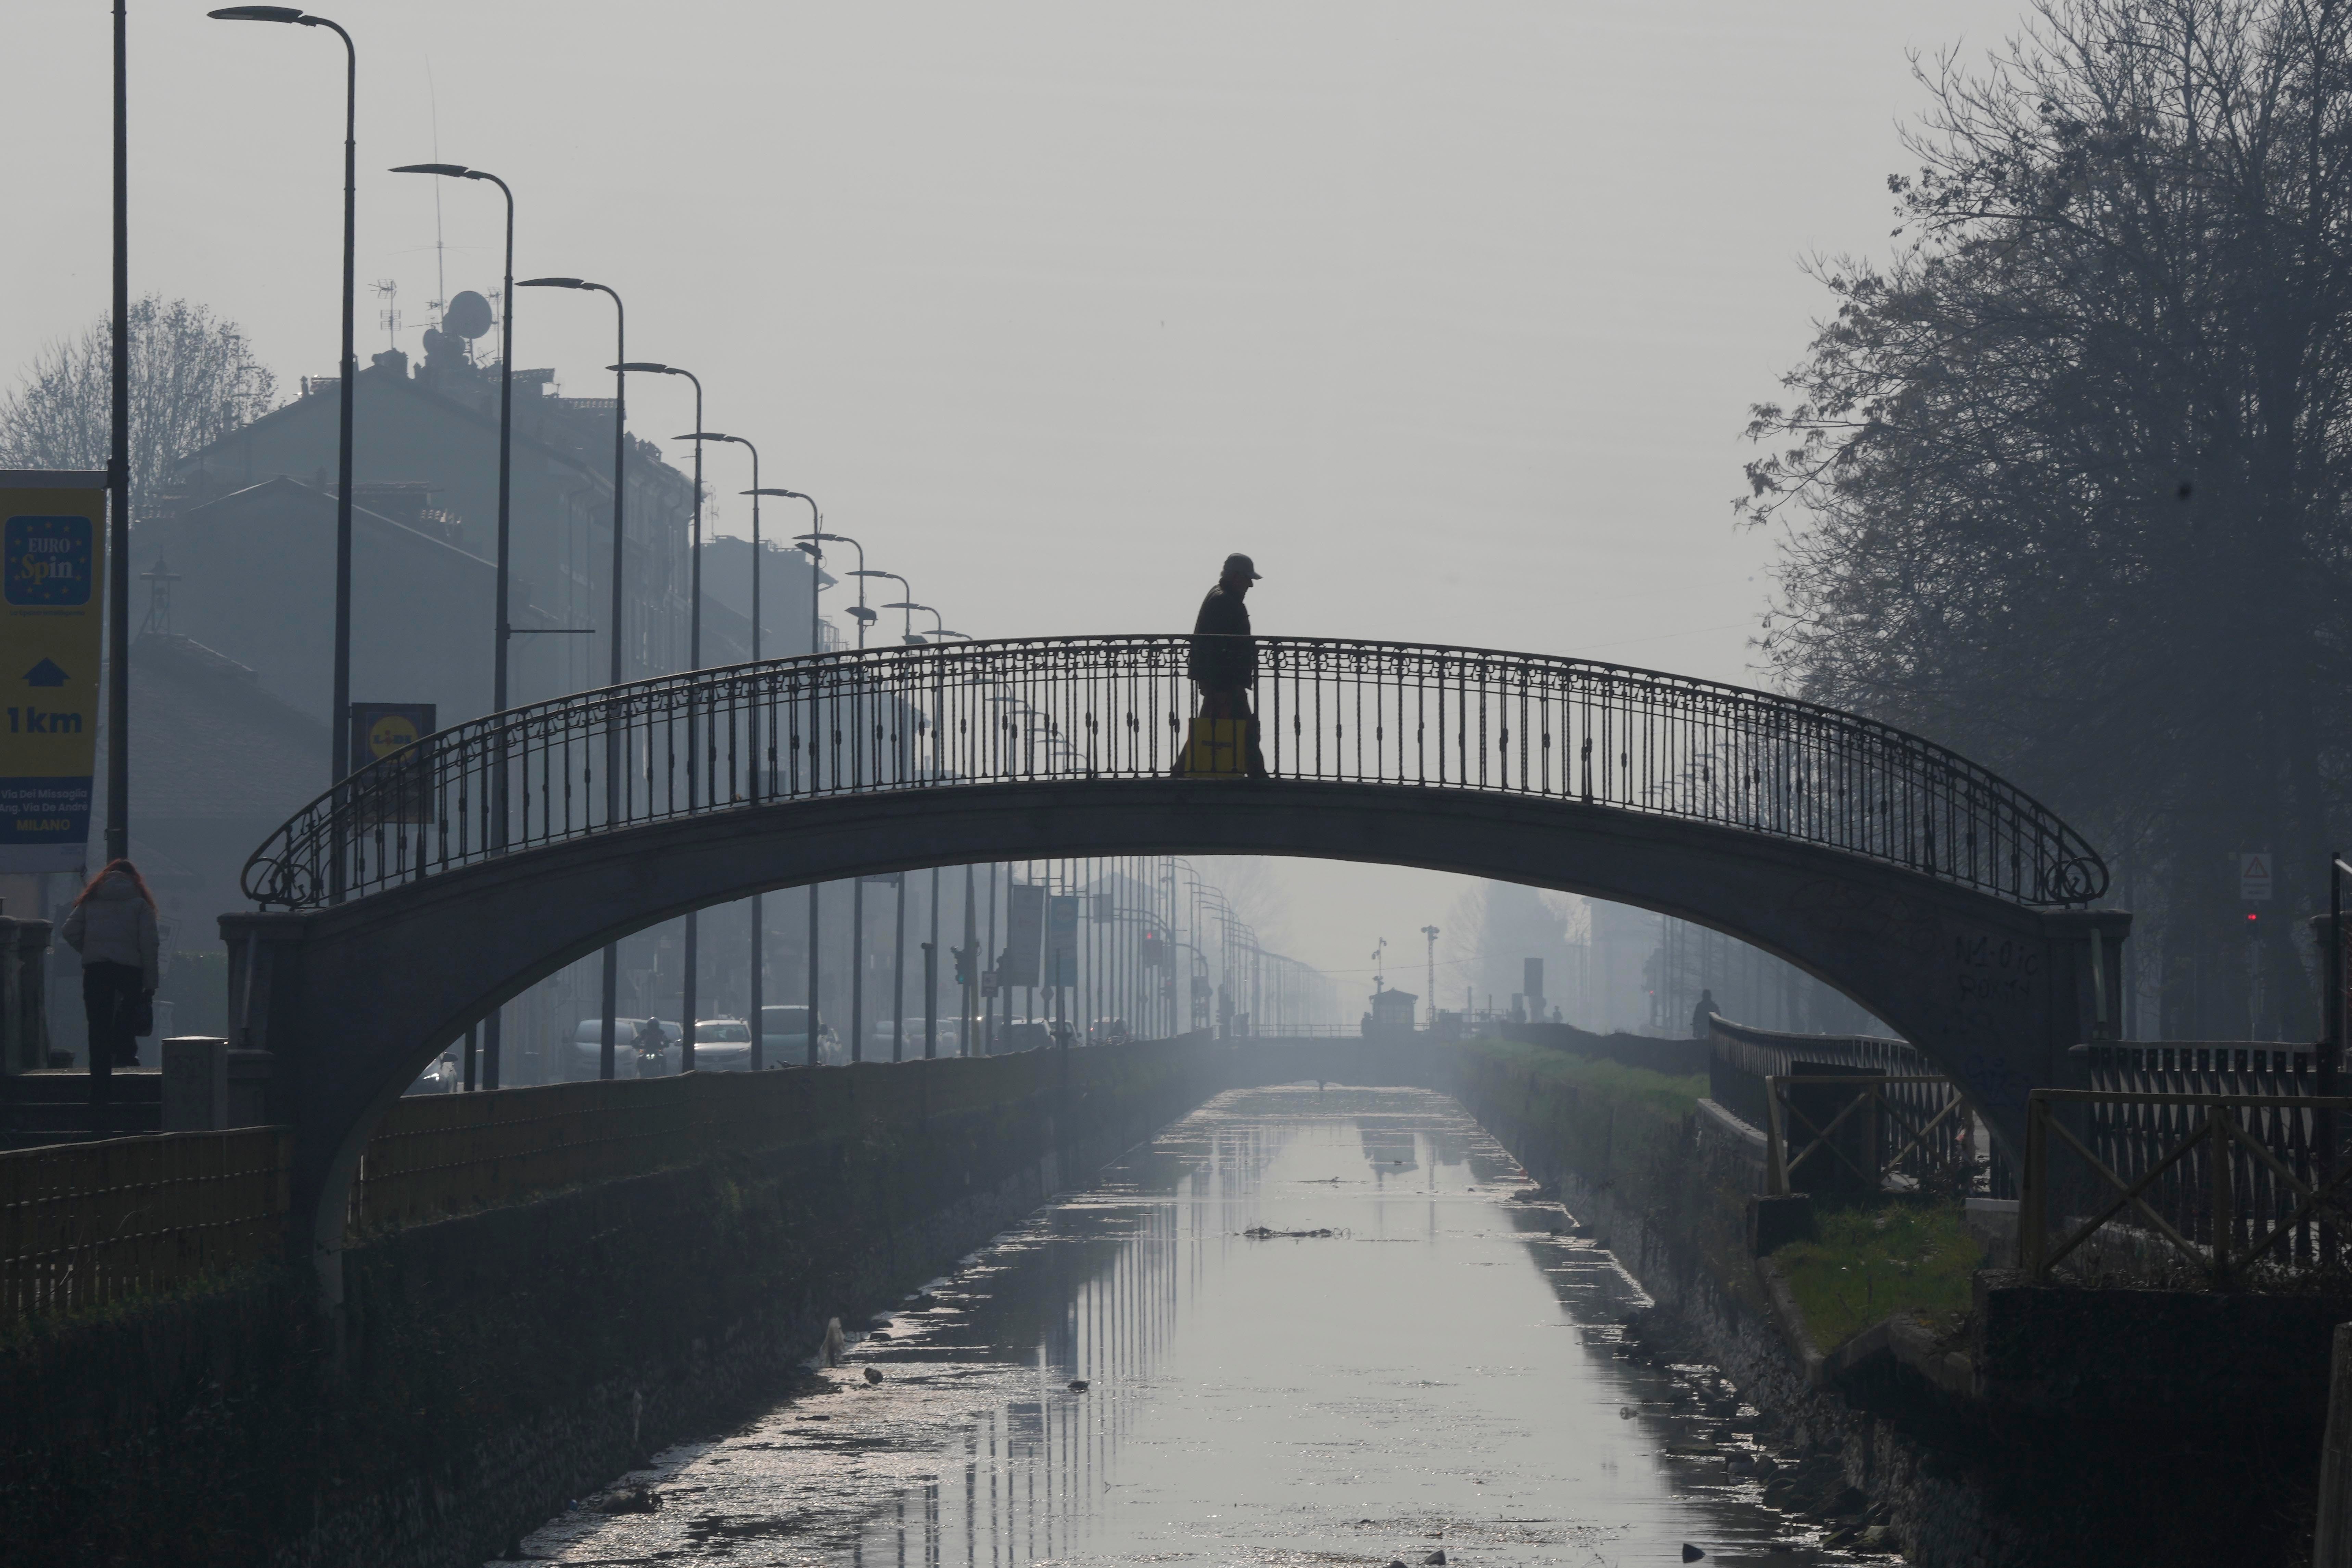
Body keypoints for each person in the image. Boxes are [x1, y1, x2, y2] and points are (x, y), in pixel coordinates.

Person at [61, 859, 160, 1108]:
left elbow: (69, 930)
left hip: (97, 971)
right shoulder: (140, 906)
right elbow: (150, 946)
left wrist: (89, 950)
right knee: (127, 1022)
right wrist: (151, 983)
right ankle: (127, 1067)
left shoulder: (91, 901)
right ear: (134, 880)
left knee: (98, 1029)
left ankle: (99, 1090)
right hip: (130, 973)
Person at [1178, 551, 1269, 778]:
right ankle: (1261, 781)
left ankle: (1178, 774)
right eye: (1248, 579)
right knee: (1245, 733)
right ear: (1236, 577)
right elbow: (1218, 649)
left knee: (1215, 730)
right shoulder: (1224, 601)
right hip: (1226, 684)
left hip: (1223, 683)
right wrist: (1221, 688)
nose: (1250, 585)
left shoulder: (1220, 597)